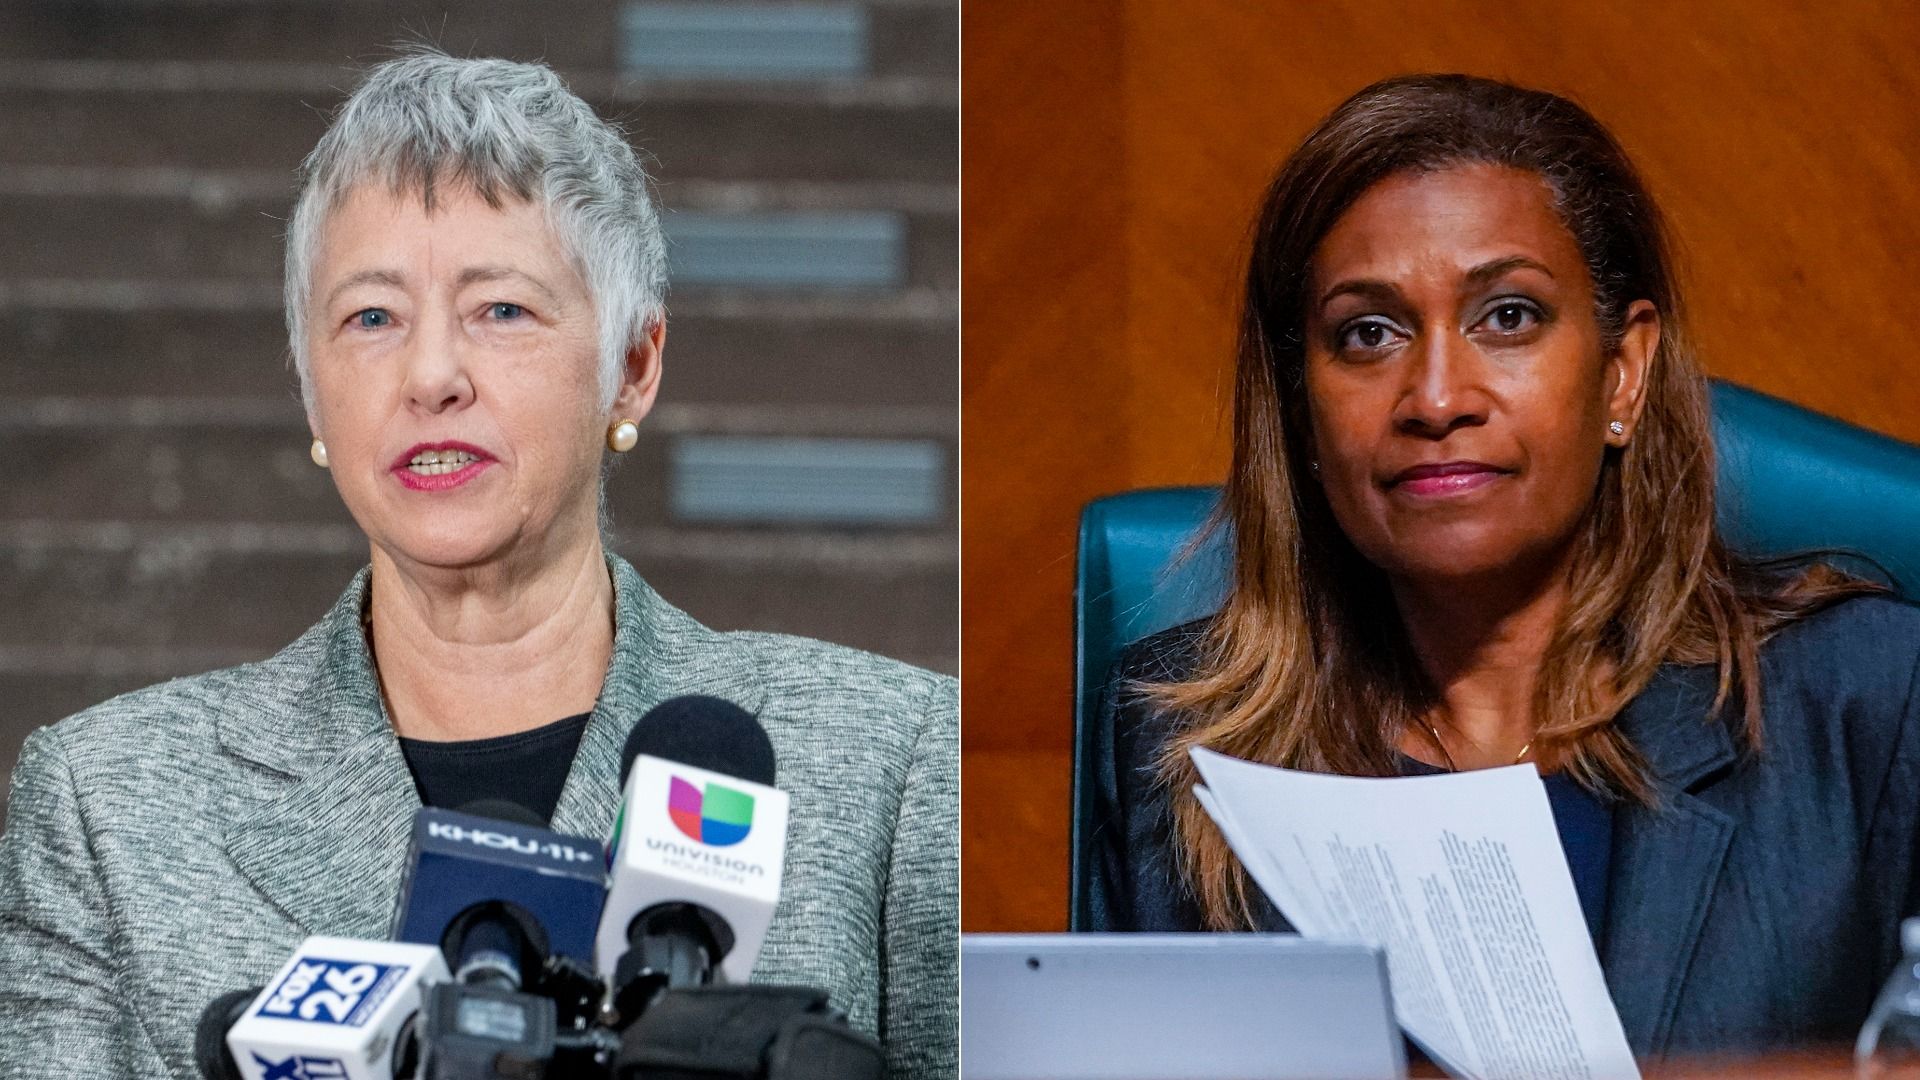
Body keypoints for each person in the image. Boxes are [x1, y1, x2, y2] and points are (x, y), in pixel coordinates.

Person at [0, 51, 957, 1078]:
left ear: (632, 368)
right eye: (372, 318)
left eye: (500, 309)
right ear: (311, 394)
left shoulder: (890, 763)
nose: (431, 376)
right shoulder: (104, 803)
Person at [1089, 73, 1920, 1061]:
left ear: (1623, 370)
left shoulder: (1869, 700)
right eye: (1369, 333)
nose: (1437, 397)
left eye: (1508, 317)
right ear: (1303, 405)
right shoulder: (1175, 739)